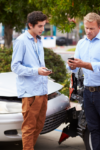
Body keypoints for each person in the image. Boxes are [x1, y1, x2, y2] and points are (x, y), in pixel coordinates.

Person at [67, 12, 100, 150]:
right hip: (87, 91)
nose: (88, 31)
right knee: (92, 128)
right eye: (86, 28)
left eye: (92, 28)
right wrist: (71, 65)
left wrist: (83, 64)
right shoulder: (81, 43)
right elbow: (74, 67)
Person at [11, 11, 52, 150]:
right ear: (30, 25)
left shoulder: (38, 40)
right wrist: (36, 71)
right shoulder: (21, 41)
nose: (42, 29)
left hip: (41, 89)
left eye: (43, 26)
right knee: (29, 127)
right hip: (30, 92)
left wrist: (42, 70)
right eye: (39, 26)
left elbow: (36, 65)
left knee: (39, 125)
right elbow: (15, 67)